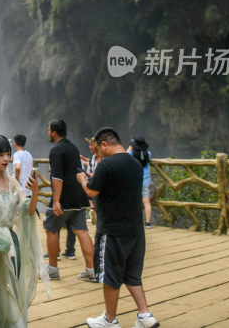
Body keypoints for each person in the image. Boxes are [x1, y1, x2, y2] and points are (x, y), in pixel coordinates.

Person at [77, 127, 159, 328]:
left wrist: (81, 179)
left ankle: (109, 320)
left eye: (98, 149)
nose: (98, 154)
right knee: (132, 275)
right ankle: (144, 315)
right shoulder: (135, 164)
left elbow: (91, 191)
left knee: (110, 276)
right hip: (135, 230)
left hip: (113, 230)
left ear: (105, 144)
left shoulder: (107, 165)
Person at [0, 131, 46, 326]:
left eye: (8, 154)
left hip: (10, 245)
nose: (7, 158)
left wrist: (34, 193)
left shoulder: (12, 182)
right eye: (1, 154)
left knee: (10, 292)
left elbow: (27, 212)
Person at [43, 118, 96, 282]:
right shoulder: (73, 147)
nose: (48, 133)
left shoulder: (56, 150)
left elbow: (57, 177)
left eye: (48, 130)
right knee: (82, 231)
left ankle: (52, 270)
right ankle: (92, 270)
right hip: (79, 197)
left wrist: (57, 201)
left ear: (53, 132)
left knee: (51, 228)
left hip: (64, 198)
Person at [128, 136, 153, 228]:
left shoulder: (131, 154)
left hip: (135, 181)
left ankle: (136, 222)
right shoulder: (148, 154)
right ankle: (148, 223)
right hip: (146, 181)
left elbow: (124, 156)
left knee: (135, 202)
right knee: (146, 202)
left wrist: (130, 147)